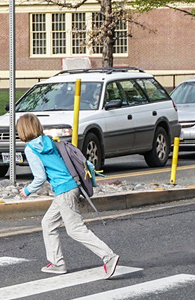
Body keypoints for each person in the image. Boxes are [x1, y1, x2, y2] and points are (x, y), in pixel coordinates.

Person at [17, 113, 120, 279]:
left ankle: (109, 257)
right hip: (71, 186)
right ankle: (57, 263)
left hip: (64, 190)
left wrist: (27, 190)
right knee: (48, 223)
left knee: (75, 229)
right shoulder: (49, 140)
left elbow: (40, 177)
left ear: (22, 131)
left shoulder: (30, 149)